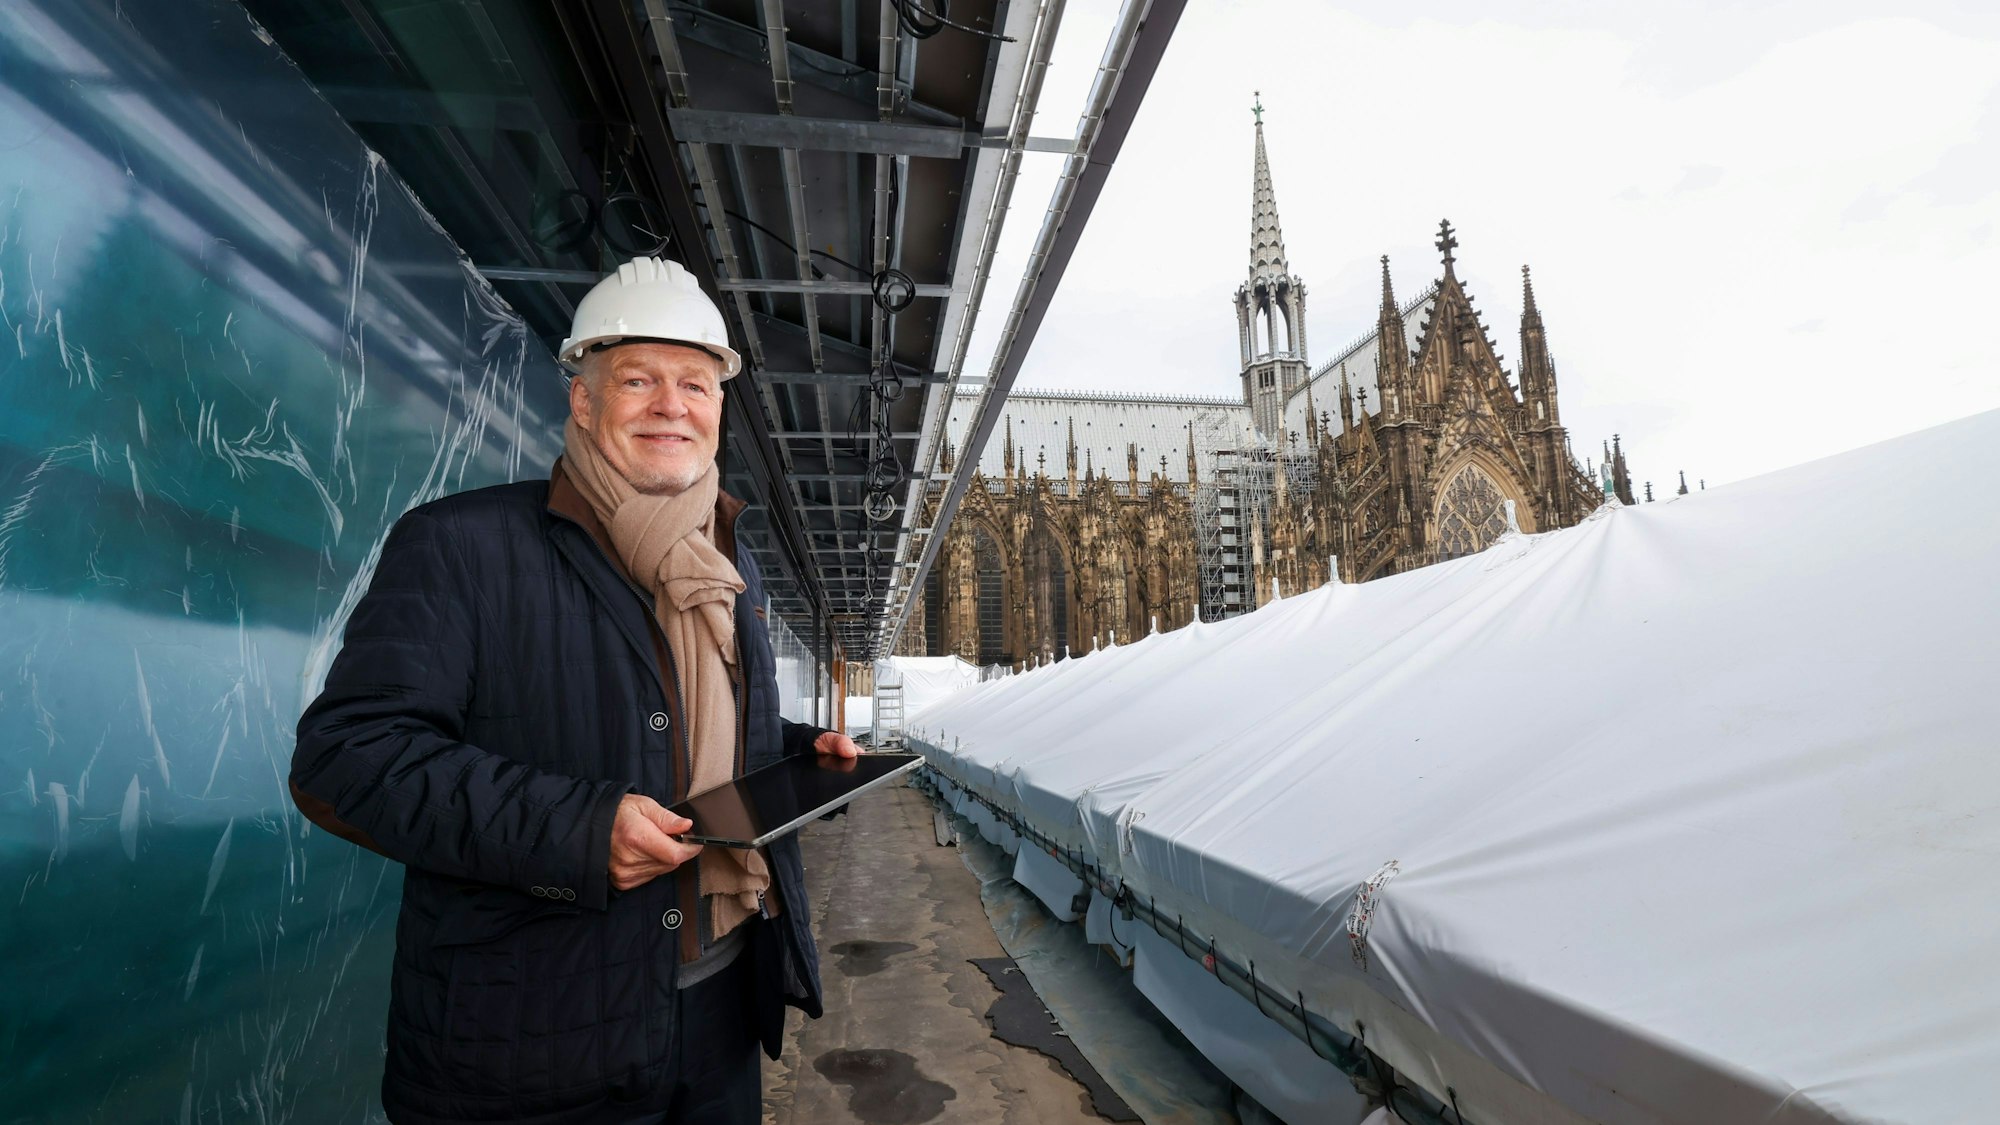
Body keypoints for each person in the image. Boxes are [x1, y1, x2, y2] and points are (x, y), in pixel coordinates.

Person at [291, 256, 859, 1125]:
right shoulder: (461, 546)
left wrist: (794, 751)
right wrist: (580, 831)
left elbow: (679, 719)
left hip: (718, 1026)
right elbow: (346, 760)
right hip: (526, 1057)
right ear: (584, 402)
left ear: (719, 410)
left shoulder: (725, 561)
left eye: (697, 385)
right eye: (639, 379)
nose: (673, 404)